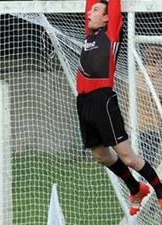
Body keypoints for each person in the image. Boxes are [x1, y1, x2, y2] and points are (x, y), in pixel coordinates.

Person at [76, 0, 162, 216]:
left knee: (128, 157)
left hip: (102, 100)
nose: (89, 12)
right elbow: (91, 2)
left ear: (107, 18)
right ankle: (136, 189)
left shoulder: (110, 32)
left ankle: (160, 193)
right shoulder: (90, 34)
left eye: (95, 9)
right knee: (100, 155)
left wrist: (108, 6)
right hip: (83, 102)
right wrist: (93, 5)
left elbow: (112, 3)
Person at [136, 45, 162, 168]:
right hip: (153, 126)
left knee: (141, 159)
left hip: (136, 125)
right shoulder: (158, 80)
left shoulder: (134, 76)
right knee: (149, 161)